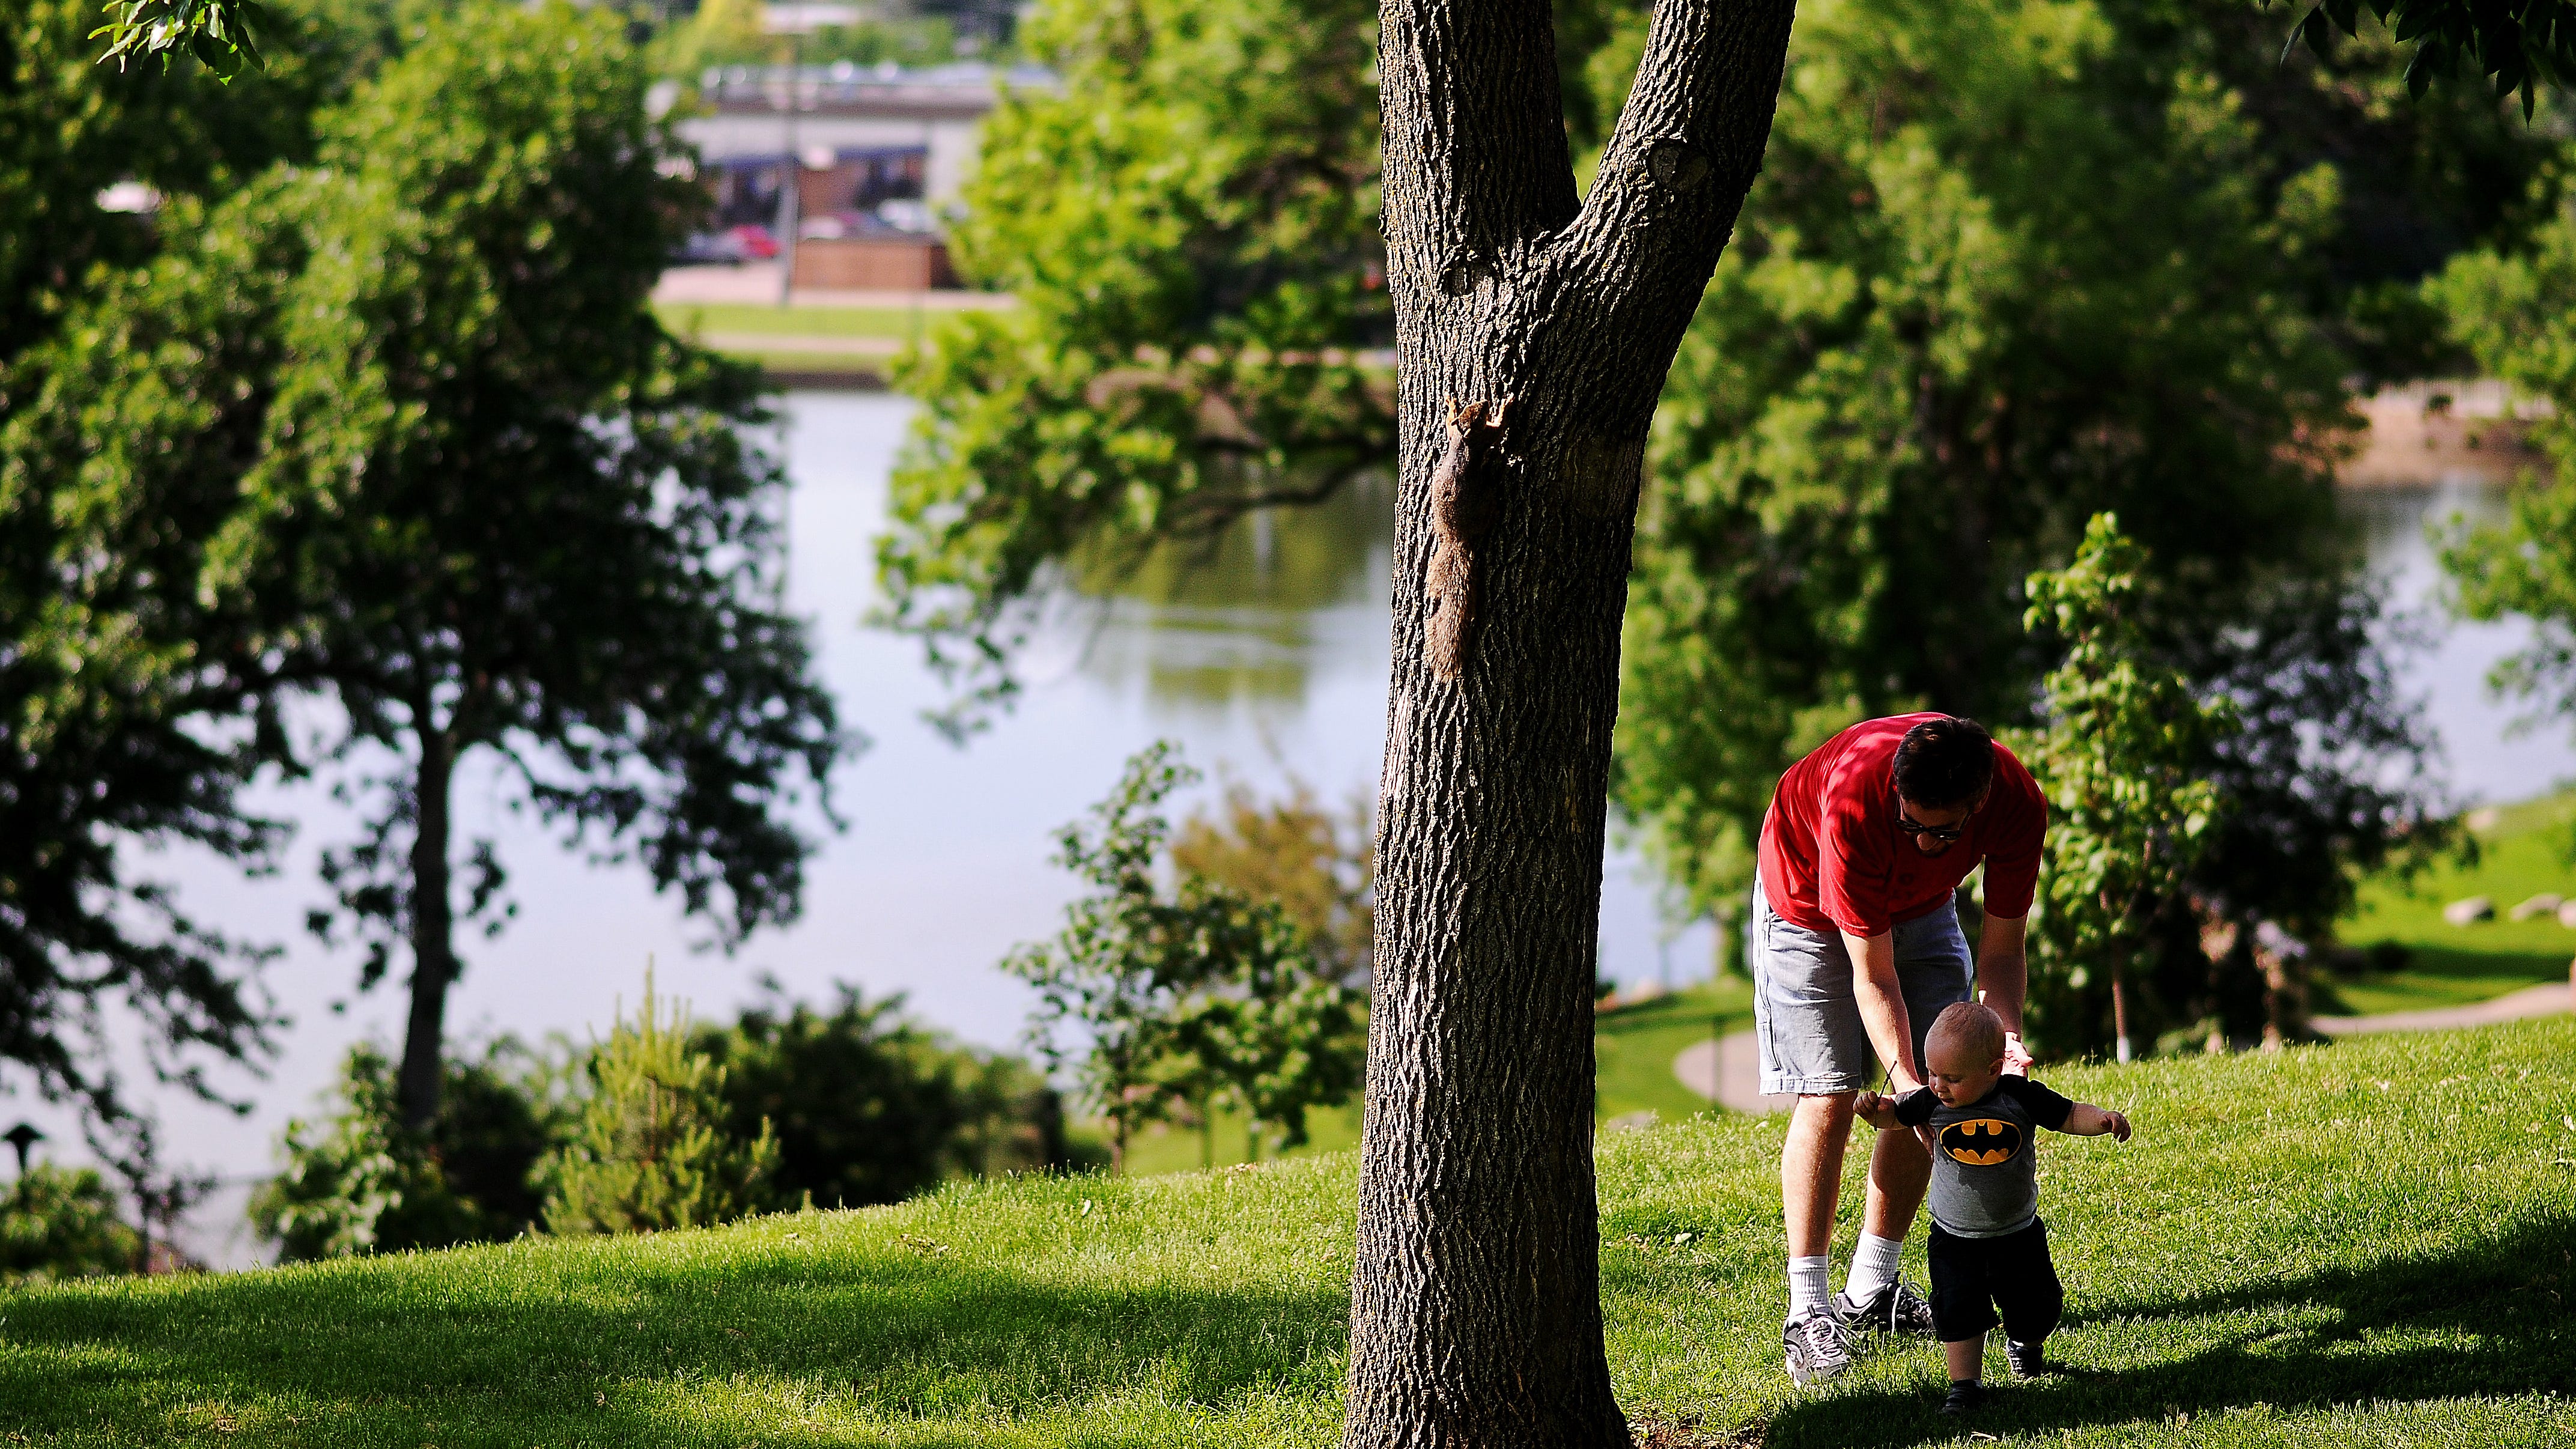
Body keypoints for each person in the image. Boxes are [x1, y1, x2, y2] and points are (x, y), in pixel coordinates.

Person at [1750, 712, 2046, 1385]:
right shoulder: (1857, 800)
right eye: (1909, 823)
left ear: (1978, 804)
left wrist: (2003, 1046)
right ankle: (1806, 1312)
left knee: (1942, 1085)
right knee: (1829, 1091)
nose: (1921, 839)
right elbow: (1872, 974)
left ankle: (1871, 1290)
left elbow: (2003, 952)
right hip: (1804, 907)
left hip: (1923, 910)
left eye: (1939, 832)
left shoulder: (2017, 804)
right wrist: (1908, 1085)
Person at [1854, 1002, 2133, 1415]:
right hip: (1953, 1237)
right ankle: (1965, 1386)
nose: (1939, 1085)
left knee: (2039, 1306)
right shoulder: (1931, 1102)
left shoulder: (2019, 1096)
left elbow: (2069, 1115)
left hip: (2017, 1233)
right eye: (1932, 1074)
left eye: (1952, 1078)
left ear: (1992, 1069)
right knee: (1956, 1311)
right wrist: (1877, 1113)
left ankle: (2025, 1341)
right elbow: (1895, 1116)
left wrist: (2102, 1120)